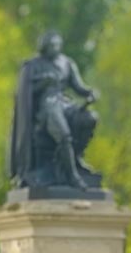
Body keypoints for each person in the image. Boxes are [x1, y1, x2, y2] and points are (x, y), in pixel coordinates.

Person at [8, 30, 100, 190]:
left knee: (89, 118)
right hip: (46, 106)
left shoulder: (67, 63)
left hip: (64, 103)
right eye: (51, 45)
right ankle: (72, 176)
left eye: (57, 45)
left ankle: (76, 157)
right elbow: (25, 93)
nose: (54, 48)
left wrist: (91, 93)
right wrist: (42, 84)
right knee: (63, 133)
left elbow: (79, 87)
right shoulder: (33, 65)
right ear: (43, 47)